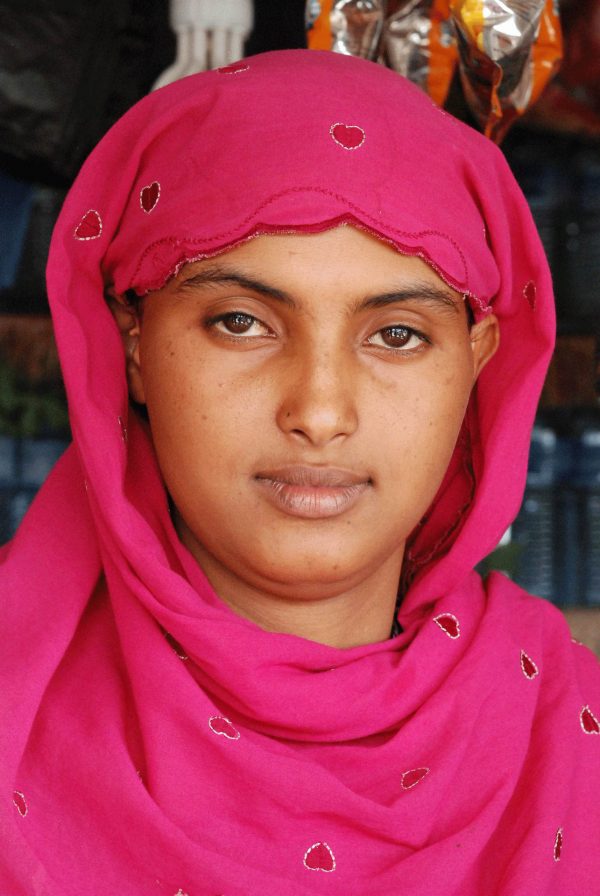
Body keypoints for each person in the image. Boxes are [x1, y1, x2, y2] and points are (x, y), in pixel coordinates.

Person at [1, 48, 598, 895]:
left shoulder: (573, 737)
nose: (319, 411)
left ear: (475, 365)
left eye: (397, 335)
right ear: (133, 347)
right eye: (241, 322)